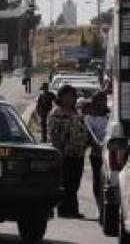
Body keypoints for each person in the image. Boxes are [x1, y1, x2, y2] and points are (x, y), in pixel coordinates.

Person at [48, 84, 89, 218]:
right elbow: (54, 134)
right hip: (64, 153)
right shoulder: (56, 113)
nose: (70, 99)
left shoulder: (77, 113)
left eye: (72, 96)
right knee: (65, 183)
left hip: (78, 153)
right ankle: (64, 209)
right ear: (61, 97)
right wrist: (59, 150)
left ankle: (72, 209)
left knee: (75, 183)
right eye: (67, 96)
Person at [85, 91, 109, 216]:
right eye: (99, 100)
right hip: (97, 155)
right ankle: (99, 206)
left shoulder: (110, 116)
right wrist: (96, 144)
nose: (102, 103)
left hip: (110, 155)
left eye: (104, 100)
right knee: (98, 180)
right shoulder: (89, 118)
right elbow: (90, 136)